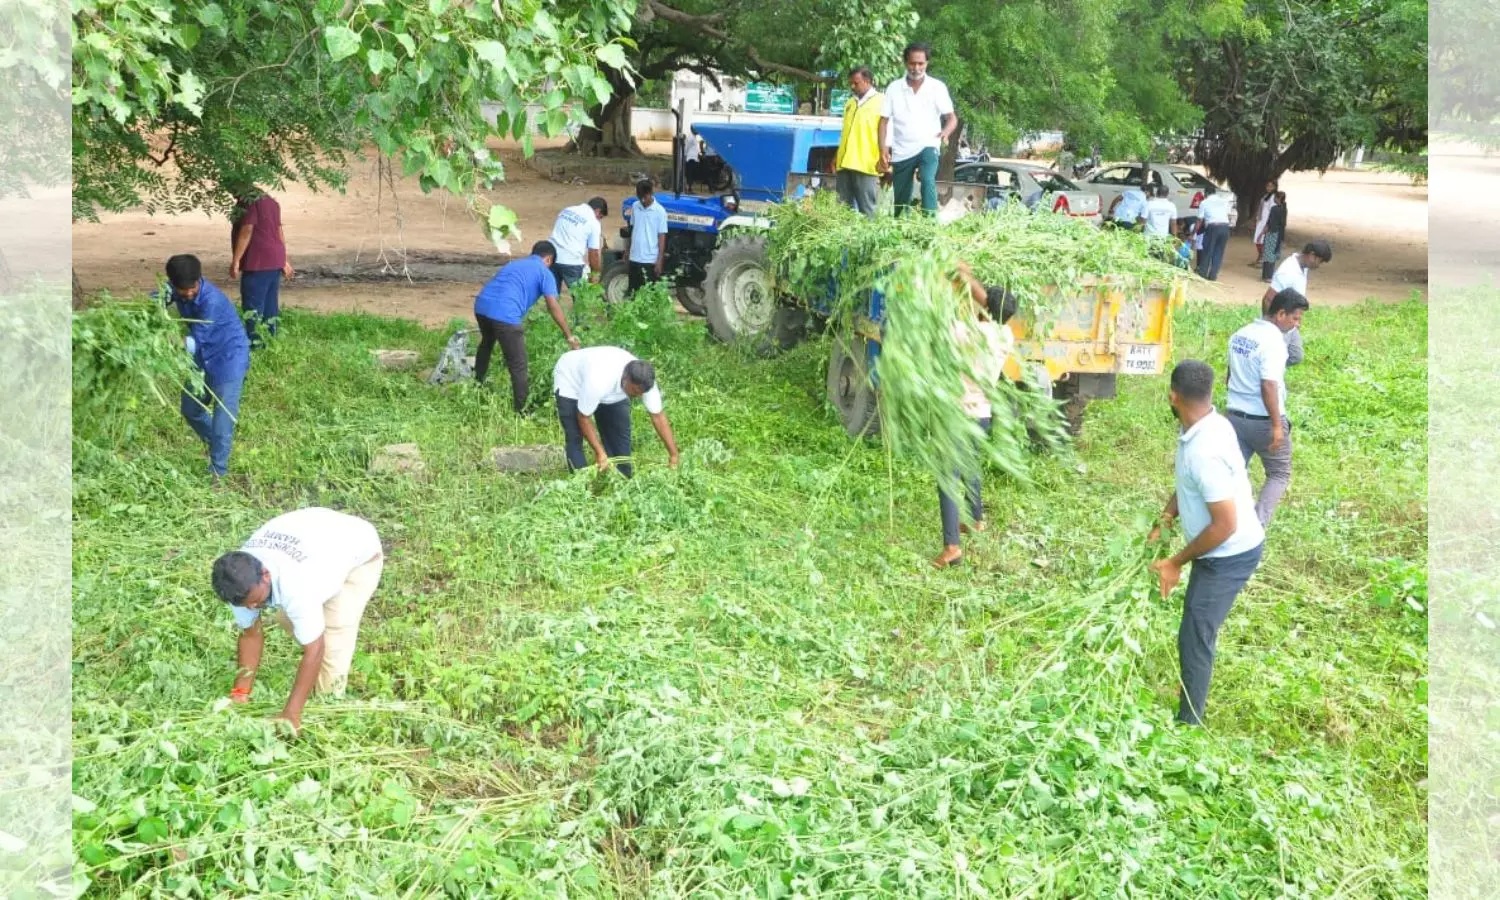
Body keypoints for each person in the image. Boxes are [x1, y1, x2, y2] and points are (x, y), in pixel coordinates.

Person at [1149, 360, 1266, 726]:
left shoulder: (1204, 451)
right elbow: (1188, 484)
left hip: (1229, 554)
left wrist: (1176, 561)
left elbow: (1225, 525)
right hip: (1218, 547)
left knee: (1195, 634)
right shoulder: (1210, 424)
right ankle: (1189, 715)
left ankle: (1190, 724)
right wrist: (1167, 516)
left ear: (1173, 396)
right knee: (1194, 627)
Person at [213, 507, 384, 734]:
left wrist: (290, 714)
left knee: (331, 640)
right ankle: (313, 640)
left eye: (256, 601)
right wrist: (240, 694)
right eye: (247, 605)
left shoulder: (297, 586)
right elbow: (250, 634)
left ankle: (328, 715)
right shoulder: (237, 583)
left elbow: (314, 649)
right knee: (290, 618)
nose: (252, 608)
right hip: (314, 537)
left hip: (359, 552)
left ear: (266, 575)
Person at [933, 263, 1017, 569]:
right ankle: (977, 520)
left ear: (985, 310)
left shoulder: (964, 333)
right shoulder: (1005, 335)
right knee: (971, 467)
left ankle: (952, 547)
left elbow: (944, 319)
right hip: (982, 413)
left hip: (958, 412)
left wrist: (955, 277)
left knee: (947, 476)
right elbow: (984, 311)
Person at [163, 254, 251, 482]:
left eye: (192, 287)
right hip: (202, 359)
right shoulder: (173, 288)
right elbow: (157, 298)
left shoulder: (211, 301)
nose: (189, 293)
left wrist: (167, 341)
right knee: (191, 409)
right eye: (183, 290)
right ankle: (217, 443)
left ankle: (218, 472)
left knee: (223, 419)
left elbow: (194, 341)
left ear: (199, 279)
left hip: (228, 359)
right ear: (173, 283)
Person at [1226, 288, 1309, 527]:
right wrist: (1276, 426)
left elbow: (1229, 374)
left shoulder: (1240, 334)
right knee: (1279, 473)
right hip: (1263, 420)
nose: (1298, 324)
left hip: (1234, 416)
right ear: (1280, 314)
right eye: (1295, 318)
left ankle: (1222, 520)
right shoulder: (1273, 342)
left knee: (1232, 470)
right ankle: (1255, 526)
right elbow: (1268, 385)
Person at [473, 240, 581, 414]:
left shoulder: (515, 264)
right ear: (549, 259)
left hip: (481, 307)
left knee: (487, 343)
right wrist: (568, 334)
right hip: (505, 314)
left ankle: (476, 384)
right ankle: (522, 410)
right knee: (518, 364)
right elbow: (552, 305)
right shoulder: (545, 273)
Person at [553, 345, 680, 478]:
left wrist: (673, 454)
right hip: (571, 380)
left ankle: (622, 481)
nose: (638, 396)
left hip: (606, 387)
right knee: (575, 436)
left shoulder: (644, 382)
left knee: (619, 436)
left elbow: (658, 416)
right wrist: (600, 452)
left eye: (641, 393)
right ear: (625, 379)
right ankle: (580, 485)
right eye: (635, 392)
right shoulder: (598, 382)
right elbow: (583, 418)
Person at [879, 42, 957, 216]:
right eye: (912, 63)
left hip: (929, 144)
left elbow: (952, 118)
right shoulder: (894, 88)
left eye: (921, 63)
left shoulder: (937, 87)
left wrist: (945, 132)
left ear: (927, 63)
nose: (916, 67)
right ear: (906, 63)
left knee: (928, 180)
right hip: (902, 149)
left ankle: (929, 226)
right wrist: (883, 149)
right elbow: (883, 121)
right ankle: (900, 231)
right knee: (901, 199)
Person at [229, 186, 295, 348]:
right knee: (270, 304)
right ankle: (271, 340)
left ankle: (255, 344)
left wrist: (236, 260)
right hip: (274, 259)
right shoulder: (271, 202)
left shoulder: (248, 202)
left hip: (258, 261)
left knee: (253, 306)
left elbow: (247, 229)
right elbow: (278, 230)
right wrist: (283, 259)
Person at [1263, 239, 1331, 368]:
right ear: (1312, 255)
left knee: (1295, 355)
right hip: (1280, 322)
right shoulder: (1287, 271)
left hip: (1291, 320)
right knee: (1274, 356)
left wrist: (1297, 320)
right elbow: (1268, 298)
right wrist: (1270, 326)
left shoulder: (1302, 267)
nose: (1318, 265)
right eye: (1319, 261)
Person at [834, 66, 885, 218]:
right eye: (851, 83)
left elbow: (887, 134)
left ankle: (868, 241)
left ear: (868, 81)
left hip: (865, 164)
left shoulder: (882, 102)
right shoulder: (850, 103)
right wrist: (837, 156)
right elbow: (845, 133)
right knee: (843, 209)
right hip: (844, 164)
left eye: (856, 83)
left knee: (867, 209)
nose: (852, 87)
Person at [548, 197, 608, 289]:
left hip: (551, 257)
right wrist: (594, 275)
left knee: (553, 295)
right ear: (597, 211)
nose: (599, 220)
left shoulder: (567, 210)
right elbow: (594, 253)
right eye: (600, 217)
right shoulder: (593, 222)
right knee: (581, 298)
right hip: (571, 262)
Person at [625, 180, 669, 292]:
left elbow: (662, 237)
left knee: (647, 294)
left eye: (644, 197)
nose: (642, 201)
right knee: (633, 293)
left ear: (650, 193)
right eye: (640, 198)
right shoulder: (635, 206)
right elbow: (632, 229)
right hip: (634, 257)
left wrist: (659, 260)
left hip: (649, 259)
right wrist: (627, 250)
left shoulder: (660, 211)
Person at [1193, 188, 1233, 281]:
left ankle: (1202, 274)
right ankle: (1213, 276)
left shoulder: (1204, 202)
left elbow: (1199, 220)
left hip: (1212, 227)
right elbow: (1228, 215)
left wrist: (1194, 233)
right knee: (1219, 252)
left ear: (1206, 194)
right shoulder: (1223, 201)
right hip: (1225, 227)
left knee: (1207, 250)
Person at [1259, 191, 1288, 282]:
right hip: (1278, 234)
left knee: (1268, 254)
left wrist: (1263, 232)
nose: (1274, 199)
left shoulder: (1274, 209)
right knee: (1272, 254)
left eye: (1275, 197)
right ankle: (1268, 276)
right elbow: (1283, 224)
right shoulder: (1284, 209)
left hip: (1272, 233)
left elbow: (1269, 222)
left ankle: (1266, 276)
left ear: (1278, 198)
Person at [1250, 179, 1279, 266]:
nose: (1269, 188)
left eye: (1271, 186)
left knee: (1261, 240)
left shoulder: (1273, 197)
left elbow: (1272, 211)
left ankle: (1262, 258)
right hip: (1261, 220)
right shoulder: (1266, 196)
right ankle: (1260, 257)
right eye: (1267, 186)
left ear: (1275, 187)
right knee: (1257, 240)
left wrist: (1268, 223)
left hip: (1266, 221)